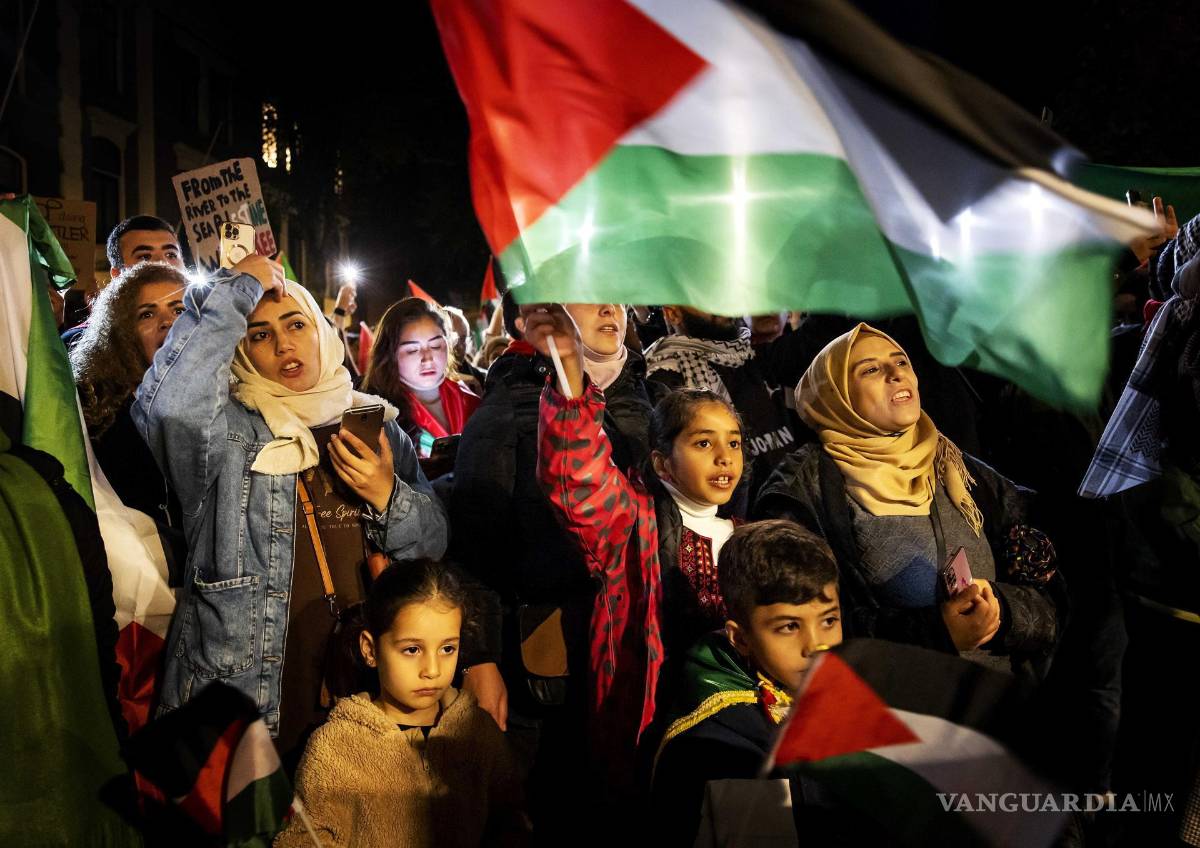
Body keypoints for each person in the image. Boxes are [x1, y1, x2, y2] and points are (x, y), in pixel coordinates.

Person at [133, 256, 448, 759]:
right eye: (258, 334)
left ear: (321, 333)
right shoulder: (228, 436)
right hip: (247, 704)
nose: (283, 344)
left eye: (296, 324)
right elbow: (171, 405)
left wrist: (388, 495)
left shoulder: (377, 427)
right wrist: (239, 289)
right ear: (241, 349)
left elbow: (432, 547)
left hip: (366, 689)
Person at [755, 323, 1065, 677]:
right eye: (870, 369)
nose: (894, 374)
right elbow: (801, 632)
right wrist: (937, 631)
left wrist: (1004, 612)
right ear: (835, 395)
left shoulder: (966, 472)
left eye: (901, 362)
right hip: (897, 716)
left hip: (995, 709)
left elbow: (1050, 602)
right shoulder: (801, 496)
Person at [450, 300, 655, 833]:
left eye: (617, 290)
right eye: (588, 290)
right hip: (553, 675)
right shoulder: (510, 413)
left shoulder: (648, 392)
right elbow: (475, 548)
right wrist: (479, 657)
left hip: (645, 651)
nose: (612, 305)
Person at [527, 303, 745, 791]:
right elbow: (575, 474)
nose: (724, 457)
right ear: (662, 464)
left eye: (734, 442)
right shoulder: (631, 522)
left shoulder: (747, 539)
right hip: (644, 736)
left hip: (726, 740)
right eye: (703, 443)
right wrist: (568, 375)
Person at [275, 560, 528, 848]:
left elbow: (511, 820)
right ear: (370, 649)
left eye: (447, 648)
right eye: (412, 649)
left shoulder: (477, 733)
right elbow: (303, 839)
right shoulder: (335, 747)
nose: (432, 669)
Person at [652, 520, 844, 845]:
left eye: (828, 620)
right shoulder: (727, 752)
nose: (816, 646)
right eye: (788, 627)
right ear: (740, 638)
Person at [70, 261, 188, 572]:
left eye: (179, 309)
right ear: (123, 332)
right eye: (147, 314)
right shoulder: (92, 409)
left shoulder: (229, 405)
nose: (166, 323)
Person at [644, 306, 799, 505]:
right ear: (673, 313)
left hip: (790, 505)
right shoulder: (662, 375)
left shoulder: (757, 354)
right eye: (705, 297)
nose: (720, 302)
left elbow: (821, 336)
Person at [362, 297, 480, 464]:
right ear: (389, 355)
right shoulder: (376, 417)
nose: (427, 358)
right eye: (412, 350)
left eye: (435, 346)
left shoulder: (472, 402)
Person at [61, 214, 186, 346]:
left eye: (171, 255)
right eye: (144, 257)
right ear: (117, 274)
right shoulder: (78, 342)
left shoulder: (205, 329)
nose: (163, 263)